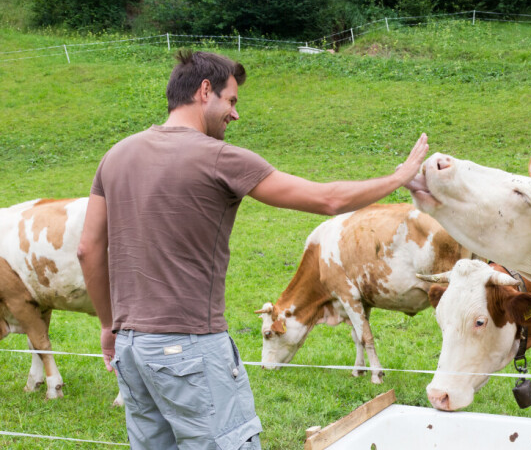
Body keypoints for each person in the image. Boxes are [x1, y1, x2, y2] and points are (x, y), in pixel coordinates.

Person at [77, 50, 429, 449]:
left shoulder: (116, 156)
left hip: (131, 348)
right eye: (231, 100)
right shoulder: (219, 158)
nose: (235, 114)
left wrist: (110, 326)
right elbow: (327, 199)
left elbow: (88, 249)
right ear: (204, 91)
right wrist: (398, 176)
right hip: (189, 346)